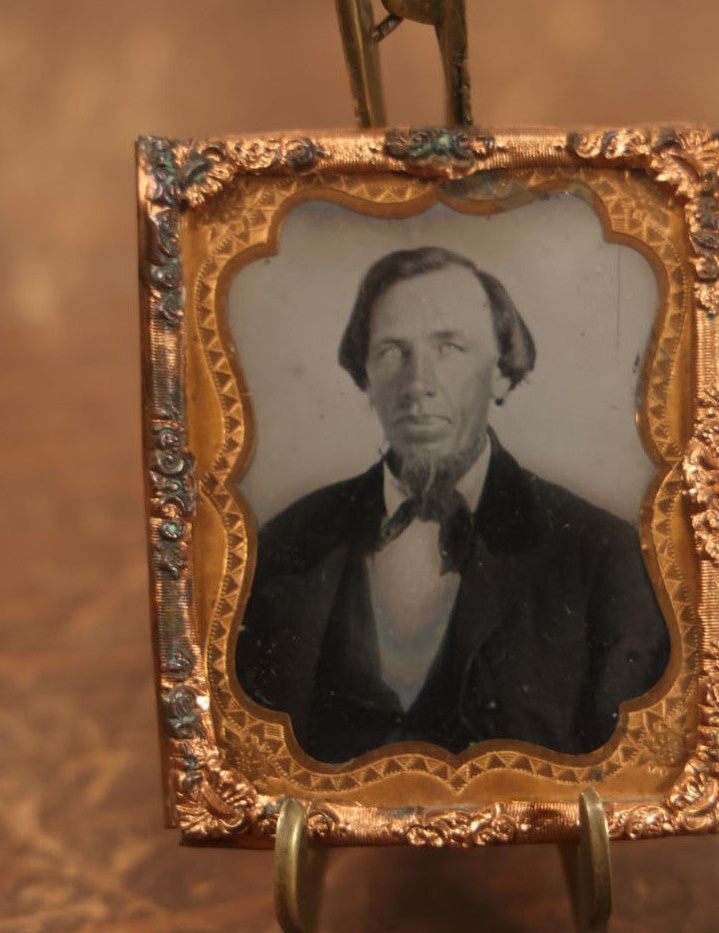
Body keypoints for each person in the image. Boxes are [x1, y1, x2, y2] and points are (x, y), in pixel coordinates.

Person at [236, 246, 669, 762]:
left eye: (450, 348)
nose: (417, 385)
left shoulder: (603, 556)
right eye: (392, 352)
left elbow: (624, 774)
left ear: (502, 372)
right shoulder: (286, 545)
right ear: (365, 379)